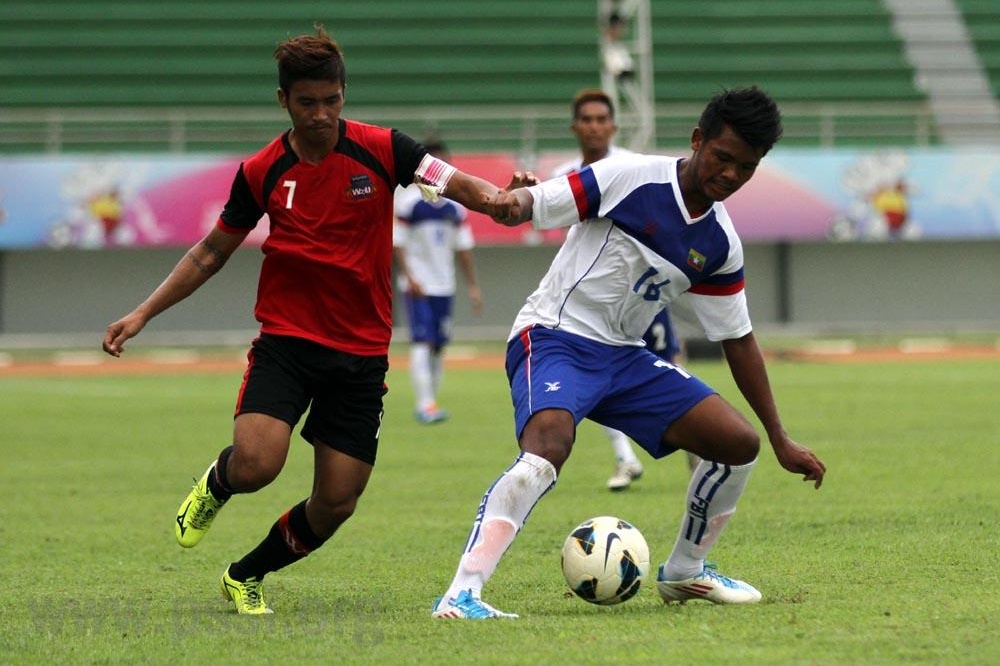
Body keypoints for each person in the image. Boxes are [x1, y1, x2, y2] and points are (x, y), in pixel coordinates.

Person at [102, 25, 514, 615]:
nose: (321, 114)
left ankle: (245, 574)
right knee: (257, 465)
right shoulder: (261, 171)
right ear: (283, 101)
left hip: (362, 354)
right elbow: (210, 252)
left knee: (337, 501)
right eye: (306, 103)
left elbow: (453, 182)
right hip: (287, 343)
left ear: (345, 94)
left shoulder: (383, 149)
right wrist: (142, 312)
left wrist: (501, 199)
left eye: (332, 100)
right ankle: (217, 484)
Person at [431, 87, 827, 620]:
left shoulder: (719, 244)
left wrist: (780, 438)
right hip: (554, 335)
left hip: (624, 359)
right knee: (548, 445)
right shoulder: (627, 176)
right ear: (697, 141)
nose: (731, 175)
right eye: (723, 157)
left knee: (737, 444)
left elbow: (739, 340)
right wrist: (506, 197)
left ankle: (686, 572)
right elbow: (527, 205)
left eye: (747, 168)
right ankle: (463, 592)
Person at [552, 88, 687, 491]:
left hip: (642, 299)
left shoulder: (635, 167)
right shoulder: (564, 176)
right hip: (593, 307)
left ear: (613, 124)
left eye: (601, 119)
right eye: (586, 119)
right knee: (594, 384)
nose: (594, 126)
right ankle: (625, 459)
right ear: (575, 126)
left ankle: (701, 468)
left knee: (678, 380)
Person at [393, 138, 482, 424]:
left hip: (445, 285)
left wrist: (472, 285)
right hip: (418, 285)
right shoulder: (408, 203)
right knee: (422, 342)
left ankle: (431, 399)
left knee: (439, 346)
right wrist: (409, 276)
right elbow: (397, 244)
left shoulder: (456, 208)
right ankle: (425, 404)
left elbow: (463, 248)